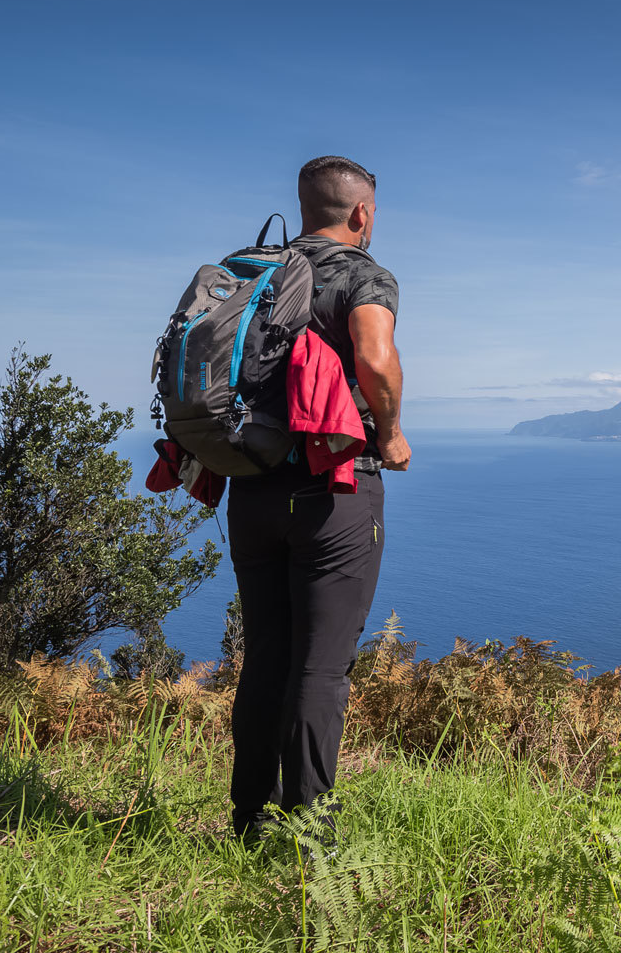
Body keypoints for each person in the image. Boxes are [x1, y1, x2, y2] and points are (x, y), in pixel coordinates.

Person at [227, 155, 411, 843]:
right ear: (361, 214)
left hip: (249, 487)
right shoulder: (364, 274)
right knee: (321, 668)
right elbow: (376, 356)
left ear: (304, 207)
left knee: (266, 657)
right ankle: (309, 835)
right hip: (333, 490)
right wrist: (389, 435)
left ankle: (249, 820)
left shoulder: (253, 271)